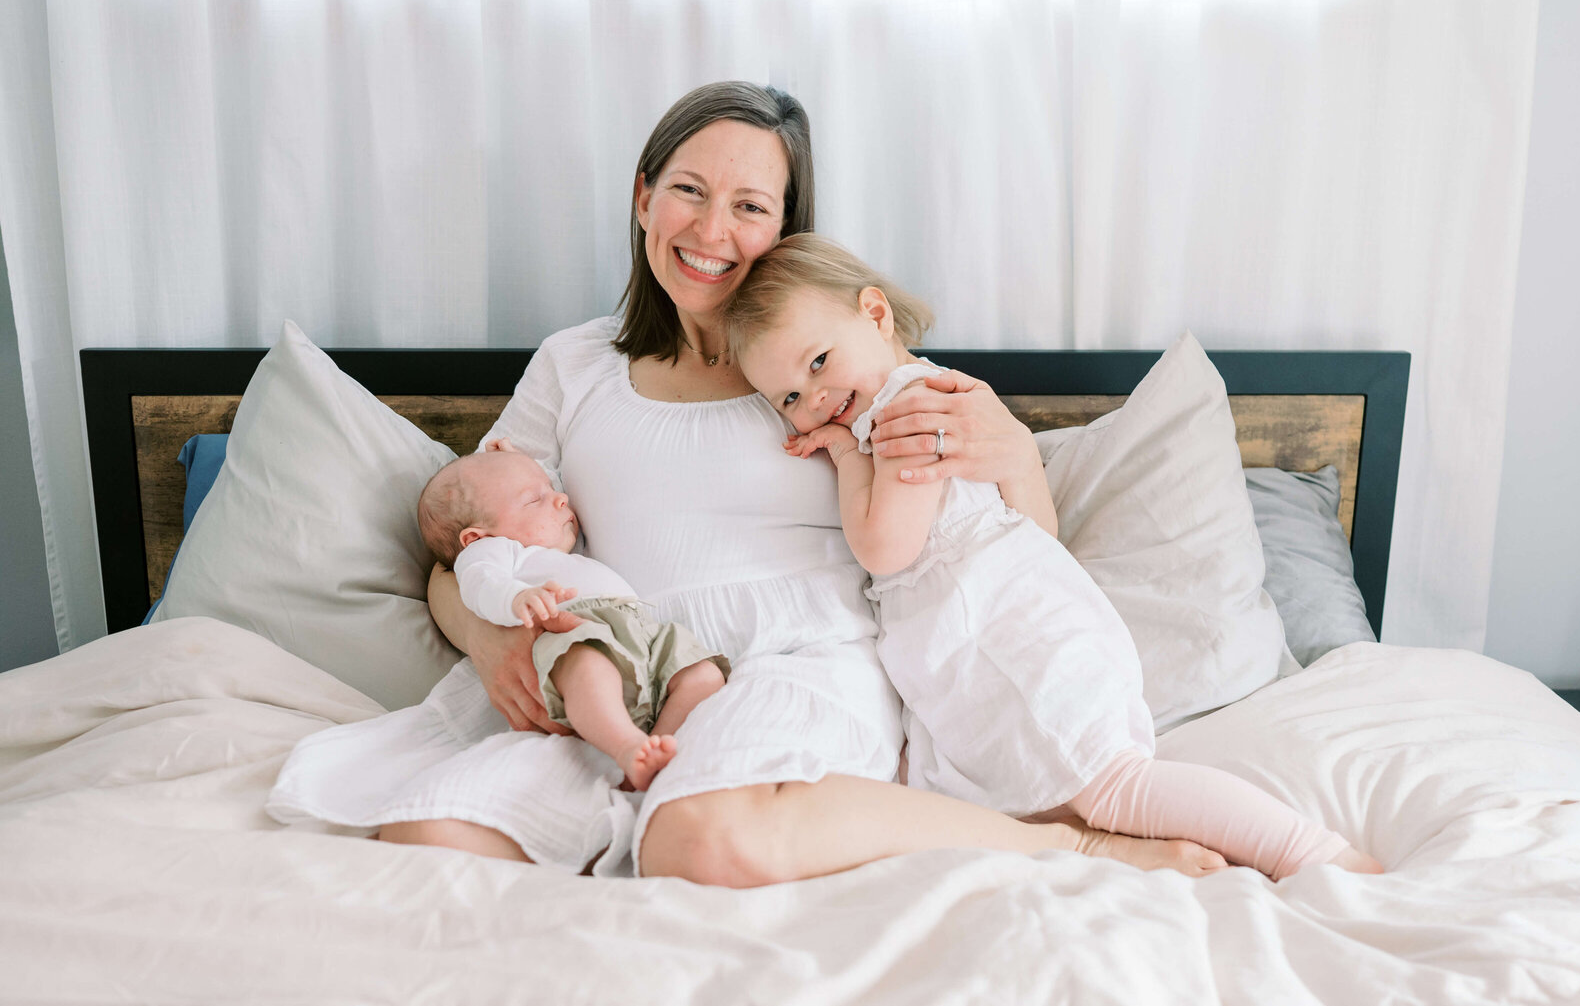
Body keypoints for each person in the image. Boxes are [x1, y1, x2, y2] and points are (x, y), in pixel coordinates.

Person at [269, 80, 1226, 882]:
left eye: (751, 206)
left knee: (699, 838)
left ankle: (1061, 844)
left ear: (785, 229)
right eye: (687, 190)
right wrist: (485, 635)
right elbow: (471, 535)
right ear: (643, 197)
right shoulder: (574, 364)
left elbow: (1013, 554)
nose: (711, 230)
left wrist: (1016, 452)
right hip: (633, 668)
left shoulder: (827, 363)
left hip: (805, 657)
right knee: (431, 835)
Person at [723, 233, 1383, 879]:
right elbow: (1032, 526)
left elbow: (885, 547)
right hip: (1008, 639)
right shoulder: (927, 398)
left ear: (874, 313)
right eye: (788, 399)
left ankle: (1312, 852)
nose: (813, 401)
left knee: (1120, 786)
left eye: (817, 364)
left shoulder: (907, 411)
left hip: (1018, 645)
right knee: (1057, 798)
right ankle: (1166, 854)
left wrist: (842, 455)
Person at [416, 441, 729, 791]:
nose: (560, 499)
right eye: (535, 498)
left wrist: (525, 466)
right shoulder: (494, 551)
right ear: (475, 537)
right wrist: (515, 597)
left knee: (703, 673)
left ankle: (655, 751)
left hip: (642, 631)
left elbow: (538, 495)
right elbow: (478, 584)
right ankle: (627, 747)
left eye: (552, 489)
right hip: (575, 630)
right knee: (587, 668)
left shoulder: (547, 540)